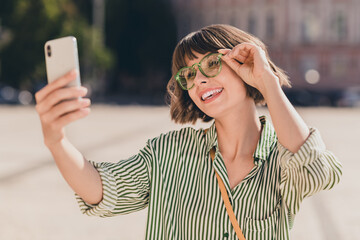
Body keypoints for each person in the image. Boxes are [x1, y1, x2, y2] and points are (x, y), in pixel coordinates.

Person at [35, 24, 342, 239]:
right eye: (188, 75)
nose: (199, 81)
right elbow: (102, 191)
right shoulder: (168, 153)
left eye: (211, 64)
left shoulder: (281, 156)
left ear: (244, 64)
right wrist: (56, 140)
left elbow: (316, 172)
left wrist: (268, 82)